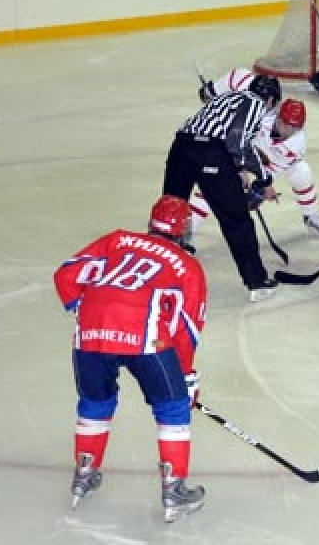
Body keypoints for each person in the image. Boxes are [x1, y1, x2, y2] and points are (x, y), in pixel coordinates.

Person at [54, 195, 207, 524]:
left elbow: (66, 275)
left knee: (96, 401)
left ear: (151, 223)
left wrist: (88, 312)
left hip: (91, 334)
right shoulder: (188, 267)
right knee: (172, 407)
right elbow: (186, 328)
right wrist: (188, 379)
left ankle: (84, 472)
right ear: (182, 231)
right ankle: (174, 488)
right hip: (146, 340)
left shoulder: (117, 239)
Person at [164, 69, 282, 302]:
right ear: (270, 99)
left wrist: (261, 178)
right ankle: (256, 281)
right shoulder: (255, 103)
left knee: (170, 210)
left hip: (181, 146)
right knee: (236, 219)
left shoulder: (226, 97)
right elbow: (237, 140)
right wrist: (245, 171)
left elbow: (241, 144)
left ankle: (158, 268)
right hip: (210, 153)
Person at [188, 97, 319, 245]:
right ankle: (184, 231)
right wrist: (240, 168)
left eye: (295, 128)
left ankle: (311, 215)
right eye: (287, 126)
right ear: (278, 118)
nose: (290, 132)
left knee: (301, 171)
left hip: (262, 163)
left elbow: (274, 166)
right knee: (215, 184)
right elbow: (236, 140)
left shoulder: (297, 143)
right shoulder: (259, 118)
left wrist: (260, 186)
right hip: (236, 152)